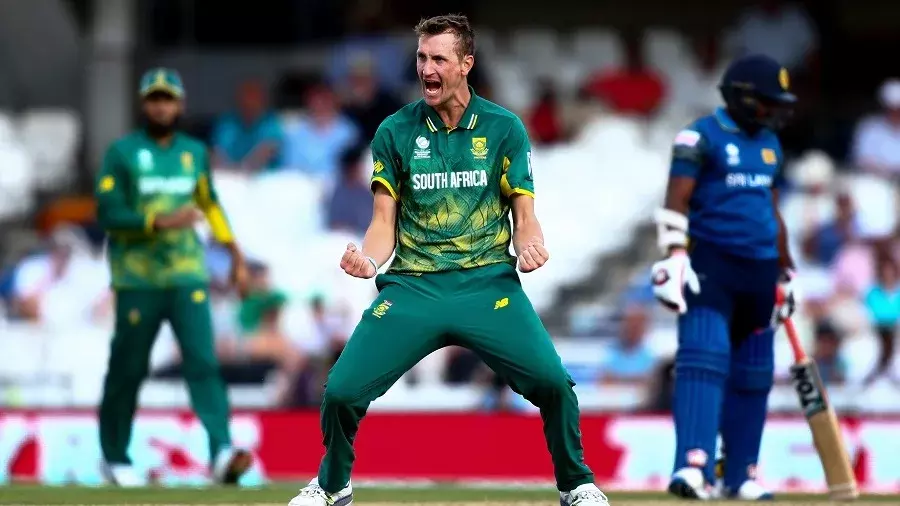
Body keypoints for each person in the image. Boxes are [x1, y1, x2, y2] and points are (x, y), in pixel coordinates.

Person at [289, 14, 608, 506]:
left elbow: (525, 216)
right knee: (341, 391)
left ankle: (576, 484)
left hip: (487, 285)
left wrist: (531, 245)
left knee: (553, 384)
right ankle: (333, 485)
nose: (427, 69)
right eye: (421, 58)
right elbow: (382, 223)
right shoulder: (394, 131)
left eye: (438, 58)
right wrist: (369, 260)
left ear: (466, 64)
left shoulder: (504, 128)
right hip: (414, 287)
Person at [94, 68, 252, 487]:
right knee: (128, 368)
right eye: (154, 99)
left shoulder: (193, 152)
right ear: (143, 104)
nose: (161, 107)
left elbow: (209, 204)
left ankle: (221, 452)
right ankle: (114, 455)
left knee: (203, 362)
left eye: (167, 99)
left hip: (186, 275)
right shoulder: (123, 152)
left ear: (179, 104)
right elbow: (108, 212)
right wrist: (159, 221)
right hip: (138, 280)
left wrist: (234, 253)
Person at [650, 54, 798, 500]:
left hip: (761, 271)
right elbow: (676, 199)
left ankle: (741, 473)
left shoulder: (771, 143)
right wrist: (675, 254)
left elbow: (772, 210)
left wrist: (786, 271)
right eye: (768, 101)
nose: (774, 111)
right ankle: (693, 466)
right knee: (703, 360)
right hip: (711, 266)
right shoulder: (699, 136)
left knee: (754, 373)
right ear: (742, 97)